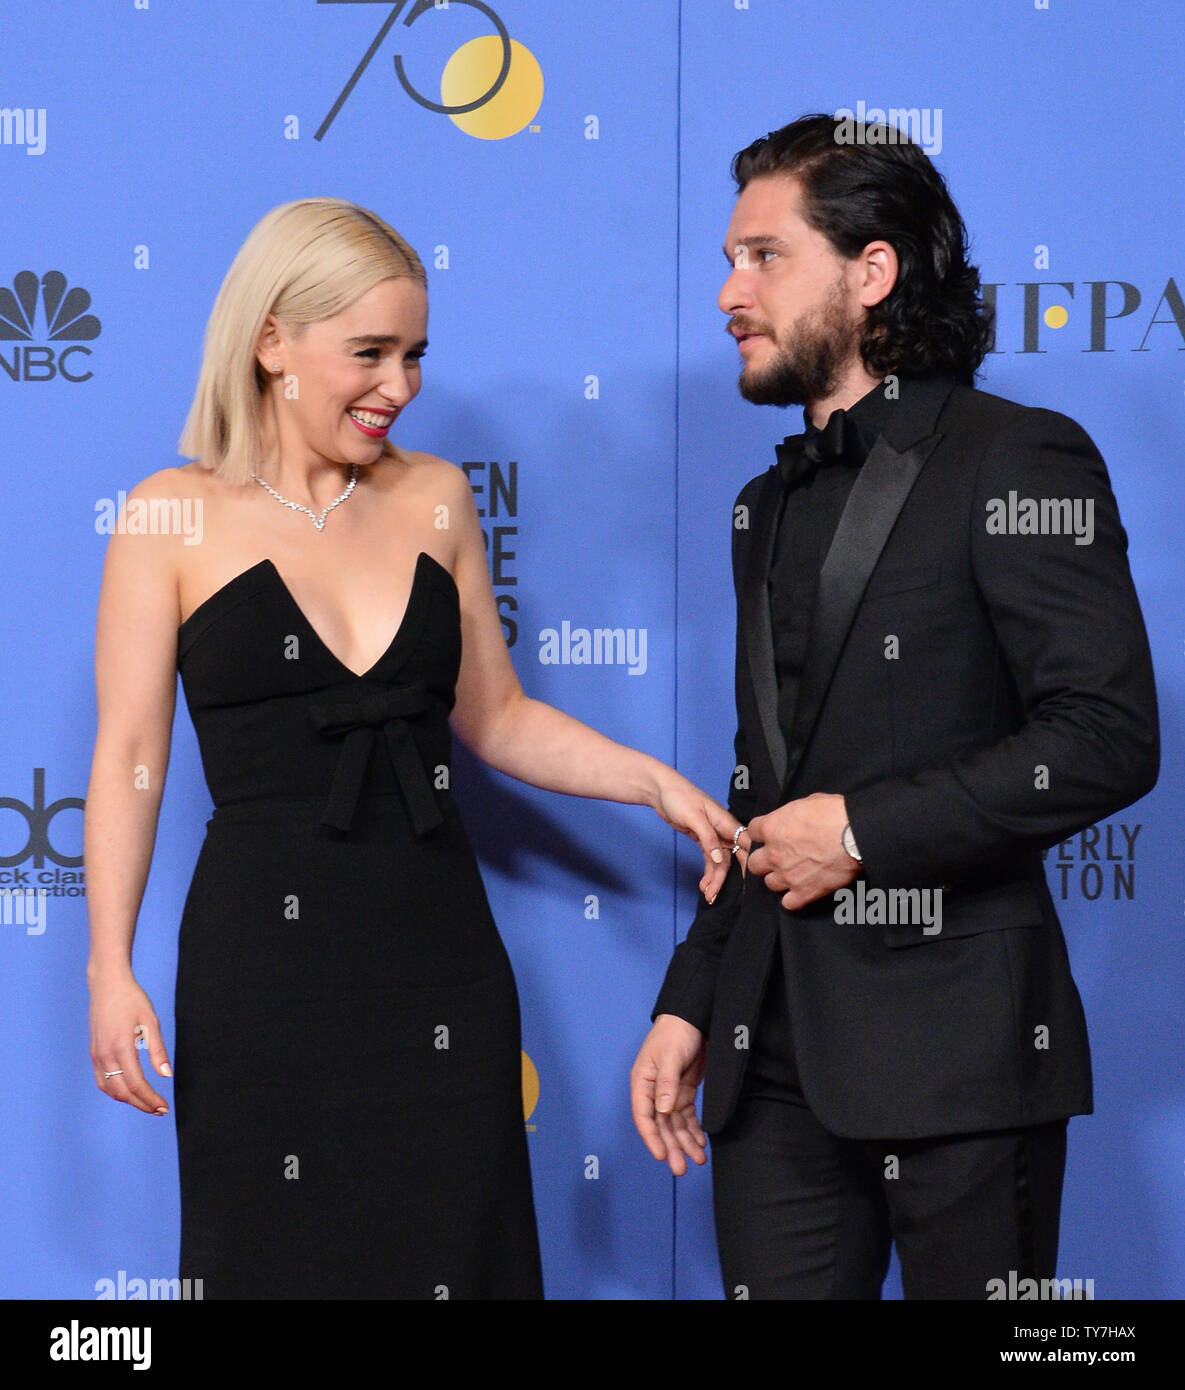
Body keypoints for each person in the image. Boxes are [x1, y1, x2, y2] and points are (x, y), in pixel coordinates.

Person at [84, 196, 738, 1300]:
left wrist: (653, 783)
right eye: (370, 353)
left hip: (437, 951)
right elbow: (129, 755)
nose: (401, 385)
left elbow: (494, 716)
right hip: (264, 965)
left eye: (416, 354)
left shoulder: (435, 497)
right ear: (272, 342)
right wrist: (110, 968)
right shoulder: (168, 515)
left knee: (458, 1253)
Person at [630, 114, 1159, 1300]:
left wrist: (864, 834)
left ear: (873, 273)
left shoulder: (1017, 458)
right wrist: (691, 1002)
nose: (728, 291)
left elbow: (1107, 735)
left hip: (963, 1057)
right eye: (728, 259)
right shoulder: (765, 504)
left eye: (764, 256)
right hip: (770, 1065)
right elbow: (763, 786)